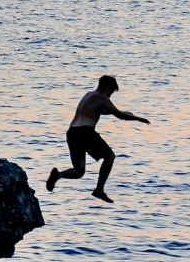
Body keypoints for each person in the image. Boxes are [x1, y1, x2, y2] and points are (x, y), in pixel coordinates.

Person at [46, 75, 150, 203]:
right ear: (106, 87)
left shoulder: (89, 95)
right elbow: (118, 114)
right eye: (111, 92)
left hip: (72, 133)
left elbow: (101, 111)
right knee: (110, 156)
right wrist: (139, 119)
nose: (110, 97)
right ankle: (99, 190)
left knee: (79, 171)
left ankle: (58, 175)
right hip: (85, 132)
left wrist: (122, 112)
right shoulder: (101, 97)